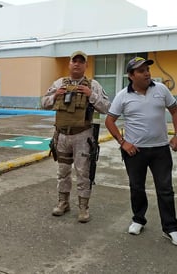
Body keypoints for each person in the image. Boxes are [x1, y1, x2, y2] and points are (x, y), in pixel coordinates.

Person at [104, 57, 177, 246]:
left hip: (160, 150)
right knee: (137, 187)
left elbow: (175, 111)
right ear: (131, 76)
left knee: (165, 189)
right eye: (141, 71)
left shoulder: (161, 90)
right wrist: (123, 142)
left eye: (147, 69)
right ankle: (138, 219)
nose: (147, 73)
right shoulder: (123, 95)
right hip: (135, 152)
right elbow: (109, 120)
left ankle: (171, 228)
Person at [41, 51, 110, 223]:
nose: (77, 64)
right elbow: (44, 103)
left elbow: (107, 107)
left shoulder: (93, 85)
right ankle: (63, 203)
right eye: (74, 61)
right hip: (62, 135)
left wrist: (90, 95)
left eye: (81, 62)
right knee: (63, 171)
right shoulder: (59, 83)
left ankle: (83, 208)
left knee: (82, 172)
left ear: (86, 65)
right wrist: (56, 95)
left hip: (82, 136)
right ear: (69, 64)